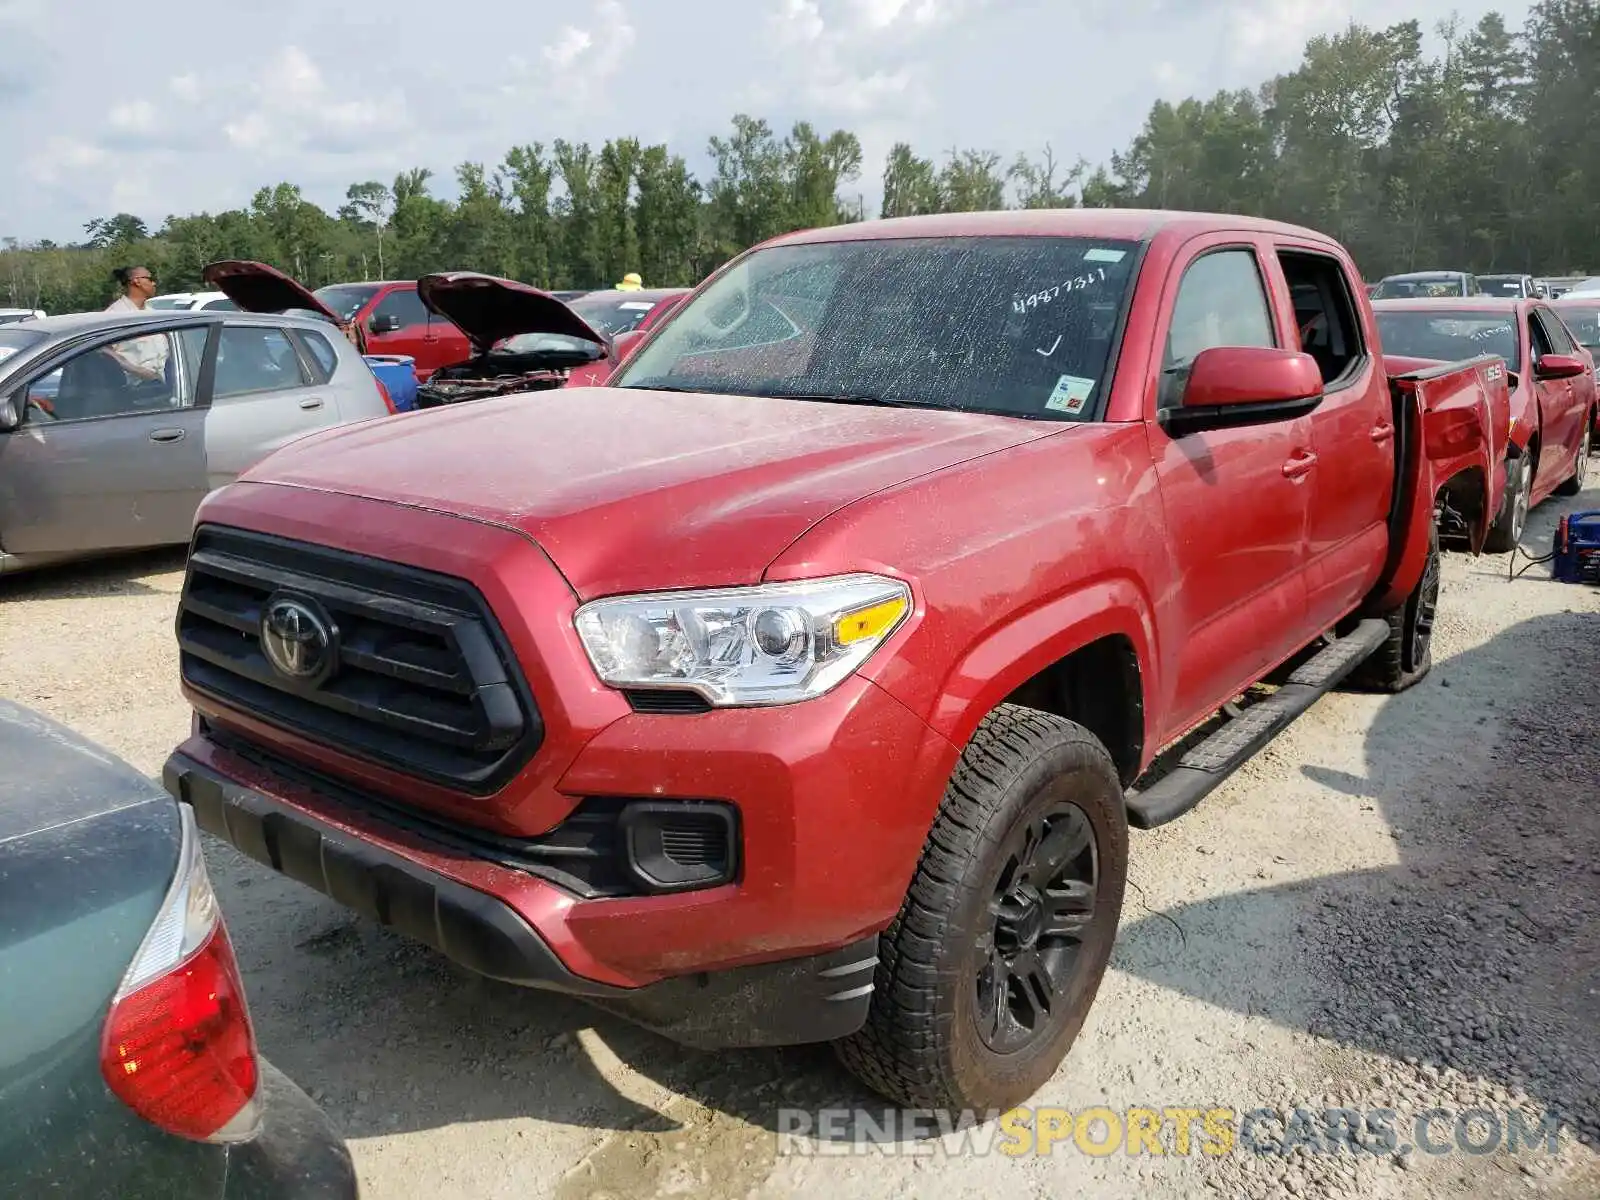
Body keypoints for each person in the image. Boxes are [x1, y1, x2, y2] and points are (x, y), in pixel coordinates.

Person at [102, 265, 169, 381]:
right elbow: (102, 350)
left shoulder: (154, 315)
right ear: (136, 281)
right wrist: (133, 369)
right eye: (150, 279)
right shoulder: (114, 316)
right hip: (133, 392)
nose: (154, 284)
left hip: (161, 388)